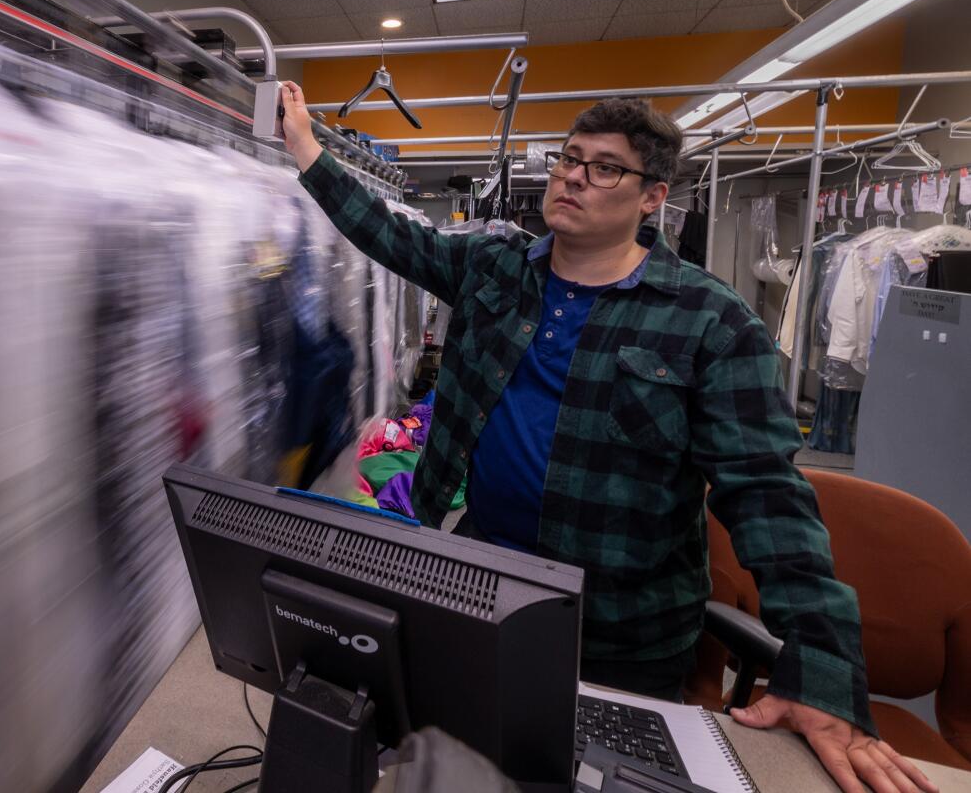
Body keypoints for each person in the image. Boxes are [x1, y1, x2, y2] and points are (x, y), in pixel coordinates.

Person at [278, 81, 936, 793]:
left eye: (603, 167)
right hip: (475, 588)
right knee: (448, 766)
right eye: (568, 159)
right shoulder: (493, 271)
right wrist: (308, 149)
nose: (572, 177)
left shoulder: (709, 323)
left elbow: (769, 498)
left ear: (652, 196)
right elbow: (389, 234)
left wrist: (823, 674)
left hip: (619, 630)